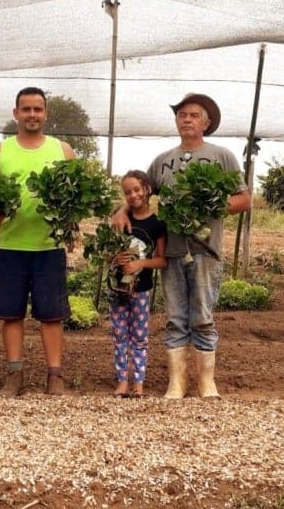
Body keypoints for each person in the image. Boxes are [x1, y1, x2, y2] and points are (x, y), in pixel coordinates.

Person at [113, 93, 250, 399]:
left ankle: (206, 383)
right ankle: (177, 383)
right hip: (172, 252)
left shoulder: (222, 156)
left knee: (202, 317)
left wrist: (211, 205)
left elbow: (244, 199)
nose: (187, 119)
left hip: (206, 250)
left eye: (194, 115)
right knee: (175, 317)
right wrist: (121, 210)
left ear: (206, 123)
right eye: (182, 115)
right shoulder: (163, 161)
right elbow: (140, 193)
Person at [0, 86, 76, 396]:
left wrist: (69, 214)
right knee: (11, 314)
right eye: (26, 109)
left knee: (52, 315)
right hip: (10, 245)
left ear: (46, 114)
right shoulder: (0, 150)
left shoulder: (63, 150)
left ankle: (55, 376)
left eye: (38, 109)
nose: (32, 114)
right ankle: (14, 374)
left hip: (49, 245)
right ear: (16, 113)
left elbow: (76, 195)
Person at [109, 170, 167, 398]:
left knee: (140, 337)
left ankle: (139, 382)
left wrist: (140, 263)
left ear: (146, 190)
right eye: (127, 192)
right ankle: (122, 381)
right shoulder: (121, 220)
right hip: (118, 288)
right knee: (119, 335)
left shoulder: (157, 224)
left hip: (141, 290)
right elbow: (108, 253)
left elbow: (162, 260)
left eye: (136, 190)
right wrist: (116, 258)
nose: (133, 195)